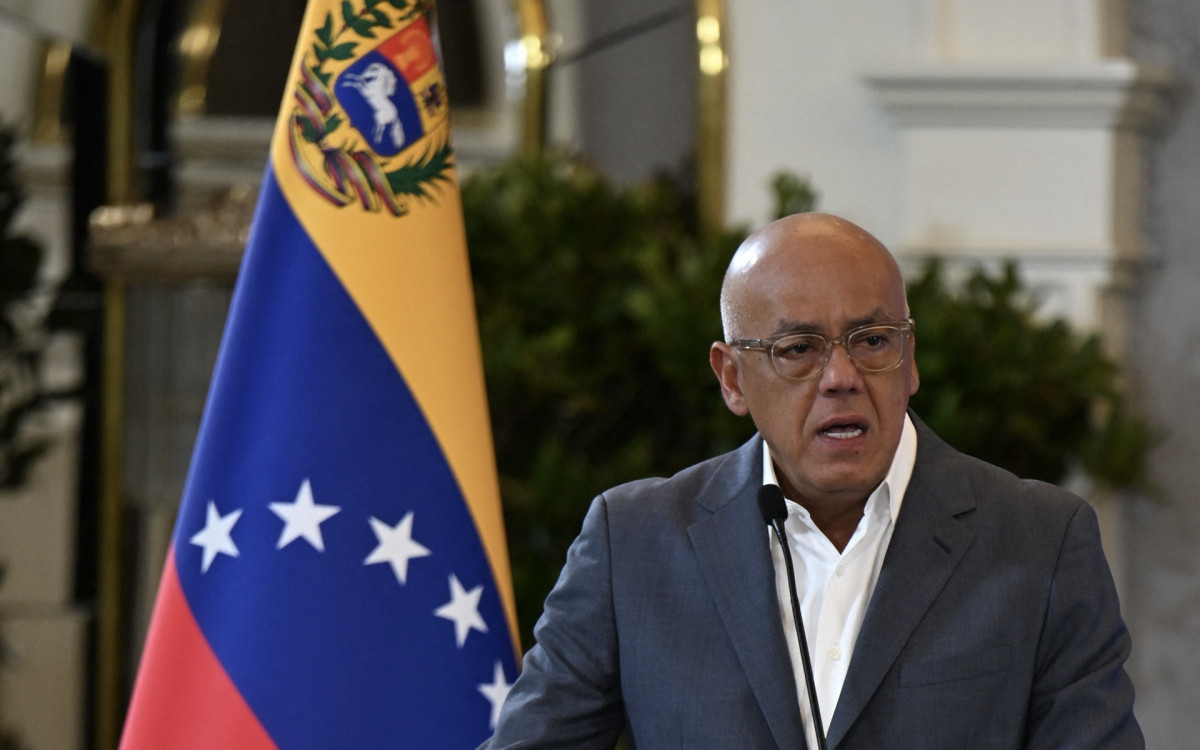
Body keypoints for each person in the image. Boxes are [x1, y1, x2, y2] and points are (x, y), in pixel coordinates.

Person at [482, 212, 1142, 749]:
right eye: (797, 349)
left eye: (873, 340)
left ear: (910, 358)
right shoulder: (632, 544)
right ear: (732, 378)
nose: (841, 377)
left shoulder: (1042, 541)